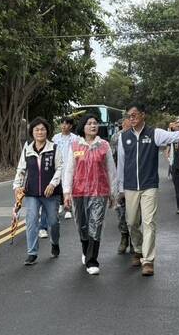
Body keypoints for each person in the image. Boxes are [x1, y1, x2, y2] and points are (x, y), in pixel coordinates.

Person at [117, 102, 179, 276]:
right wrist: (120, 188)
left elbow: (170, 136)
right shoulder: (124, 137)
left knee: (149, 222)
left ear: (143, 115)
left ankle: (148, 260)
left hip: (149, 185)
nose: (132, 118)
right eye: (129, 116)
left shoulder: (154, 133)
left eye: (135, 115)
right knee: (131, 222)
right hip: (130, 186)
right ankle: (138, 249)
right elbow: (121, 164)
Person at [63, 114, 117, 275]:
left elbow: (111, 170)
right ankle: (86, 250)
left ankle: (92, 260)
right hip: (78, 192)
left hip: (99, 191)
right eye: (89, 123)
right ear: (83, 127)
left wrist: (113, 193)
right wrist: (66, 192)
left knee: (96, 224)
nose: (93, 126)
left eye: (95, 123)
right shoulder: (75, 146)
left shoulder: (104, 145)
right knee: (82, 225)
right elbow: (69, 170)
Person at [12, 117, 63, 266]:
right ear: (32, 132)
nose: (40, 132)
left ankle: (55, 242)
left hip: (51, 193)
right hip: (32, 192)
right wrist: (17, 186)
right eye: (37, 130)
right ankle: (32, 253)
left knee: (53, 222)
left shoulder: (54, 148)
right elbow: (21, 169)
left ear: (47, 131)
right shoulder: (27, 149)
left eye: (42, 129)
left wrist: (53, 184)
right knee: (31, 221)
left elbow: (60, 168)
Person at [110, 117, 132, 253]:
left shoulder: (138, 135)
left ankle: (135, 240)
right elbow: (112, 159)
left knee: (136, 213)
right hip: (119, 178)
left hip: (135, 179)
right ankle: (124, 237)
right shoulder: (116, 137)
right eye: (128, 120)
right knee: (121, 211)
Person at [52, 117, 79, 220]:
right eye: (62, 123)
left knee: (68, 187)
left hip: (70, 166)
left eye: (66, 124)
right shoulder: (55, 138)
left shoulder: (75, 138)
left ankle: (68, 209)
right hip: (58, 166)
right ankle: (60, 204)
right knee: (58, 187)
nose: (64, 126)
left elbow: (78, 153)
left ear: (70, 126)